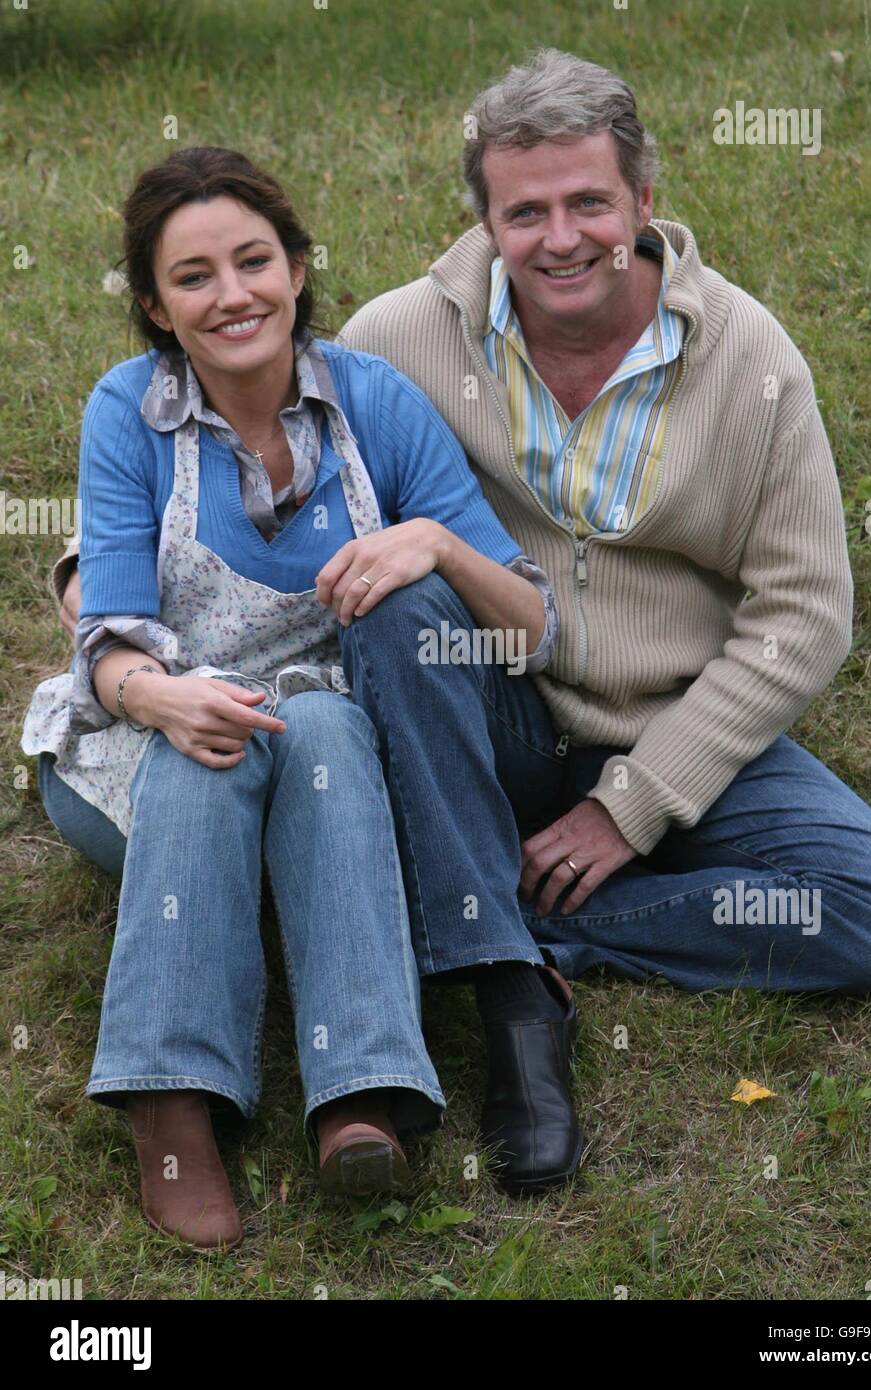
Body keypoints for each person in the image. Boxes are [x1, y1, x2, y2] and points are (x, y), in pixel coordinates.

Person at [23, 145, 578, 1250]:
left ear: (295, 267)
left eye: (252, 261)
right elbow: (110, 636)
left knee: (321, 726)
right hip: (151, 733)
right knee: (204, 751)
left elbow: (529, 627)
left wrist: (429, 543)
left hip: (325, 732)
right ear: (154, 304)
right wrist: (163, 697)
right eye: (193, 277)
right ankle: (171, 1099)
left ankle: (358, 1096)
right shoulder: (129, 411)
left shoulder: (374, 403)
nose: (231, 295)